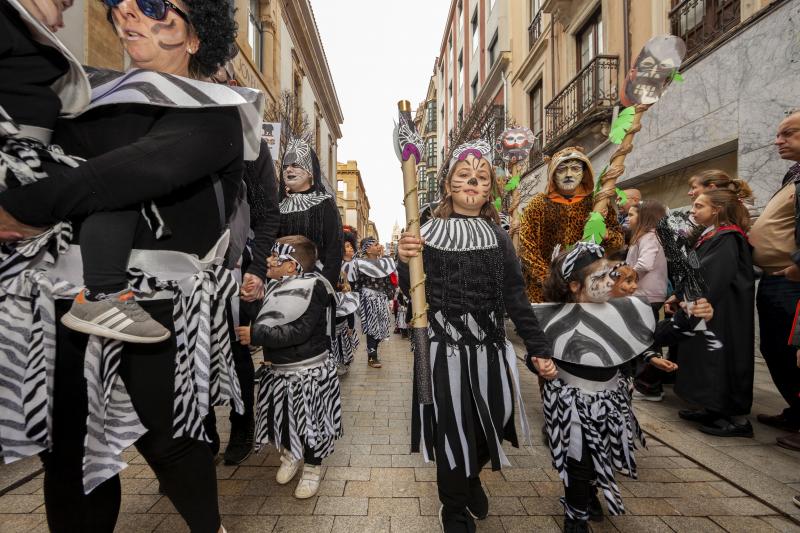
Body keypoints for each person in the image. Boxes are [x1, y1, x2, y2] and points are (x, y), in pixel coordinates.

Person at [0, 1, 260, 531]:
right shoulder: (82, 96)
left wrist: (18, 206)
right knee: (67, 450)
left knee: (171, 444)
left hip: (160, 305)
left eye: (158, 8)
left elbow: (115, 178)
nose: (131, 16)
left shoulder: (214, 111)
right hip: (63, 297)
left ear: (195, 38)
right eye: (124, 5)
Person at [397, 139, 554, 533]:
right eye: (463, 176)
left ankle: (470, 477)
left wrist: (538, 348)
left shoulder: (499, 237)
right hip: (440, 350)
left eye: (481, 178)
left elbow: (516, 296)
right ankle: (453, 508)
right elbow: (410, 290)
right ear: (448, 186)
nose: (472, 182)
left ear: (489, 189)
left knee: (494, 421)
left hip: (490, 349)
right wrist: (405, 259)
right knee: (451, 428)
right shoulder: (426, 231)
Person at [0, 0, 172, 344]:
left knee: (118, 177)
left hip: (34, 165)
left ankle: (102, 293)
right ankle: (102, 295)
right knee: (118, 179)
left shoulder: (25, 30)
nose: (71, 4)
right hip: (16, 166)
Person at [535, 242, 712, 532]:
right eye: (600, 278)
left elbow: (658, 335)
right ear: (575, 286)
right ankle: (576, 514)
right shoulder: (551, 318)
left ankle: (590, 491)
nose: (610, 282)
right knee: (577, 459)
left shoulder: (626, 312)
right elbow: (537, 351)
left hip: (611, 402)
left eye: (611, 274)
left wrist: (692, 315)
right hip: (571, 405)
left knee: (600, 453)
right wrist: (539, 363)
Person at [236, 236, 341, 500]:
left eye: (275, 256)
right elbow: (264, 318)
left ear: (292, 266)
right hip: (279, 370)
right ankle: (290, 454)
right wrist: (249, 300)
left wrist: (257, 335)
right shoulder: (273, 286)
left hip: (307, 373)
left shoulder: (315, 287)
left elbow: (299, 331)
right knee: (280, 419)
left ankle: (312, 469)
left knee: (310, 424)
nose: (268, 260)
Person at [674, 186, 755, 437]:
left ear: (717, 210)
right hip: (710, 308)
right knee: (705, 357)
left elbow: (712, 274)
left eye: (699, 206)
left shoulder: (728, 237)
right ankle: (710, 406)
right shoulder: (712, 234)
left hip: (723, 311)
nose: (693, 209)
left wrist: (691, 296)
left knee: (720, 358)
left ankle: (731, 416)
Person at [749, 111, 800, 449]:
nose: (777, 140)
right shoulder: (793, 176)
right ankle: (796, 411)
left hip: (790, 281)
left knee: (792, 351)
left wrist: (798, 264)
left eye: (788, 134)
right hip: (772, 279)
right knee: (774, 347)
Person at [518, 146, 624, 302]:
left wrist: (606, 234)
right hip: (545, 291)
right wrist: (550, 279)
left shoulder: (597, 204)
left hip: (585, 290)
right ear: (553, 174)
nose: (568, 174)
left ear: (584, 172)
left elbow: (619, 242)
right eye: (561, 170)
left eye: (575, 169)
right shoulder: (537, 205)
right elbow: (526, 248)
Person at [276, 136, 343, 287]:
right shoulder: (277, 205)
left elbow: (334, 251)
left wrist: (324, 288)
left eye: (295, 165)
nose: (288, 169)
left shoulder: (325, 203)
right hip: (278, 284)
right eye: (285, 166)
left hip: (314, 284)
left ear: (310, 171)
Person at [625, 200, 670, 401]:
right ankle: (641, 382)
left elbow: (645, 263)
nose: (628, 218)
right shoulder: (645, 237)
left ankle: (649, 386)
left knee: (645, 340)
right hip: (643, 294)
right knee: (641, 338)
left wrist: (624, 276)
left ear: (644, 218)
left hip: (646, 295)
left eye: (632, 215)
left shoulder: (649, 237)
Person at [352, 236, 396, 368]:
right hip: (368, 298)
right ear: (368, 249)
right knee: (371, 327)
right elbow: (357, 284)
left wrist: (390, 298)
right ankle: (372, 356)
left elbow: (388, 282)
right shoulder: (359, 263)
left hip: (381, 299)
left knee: (381, 327)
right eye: (375, 244)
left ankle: (374, 352)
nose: (379, 246)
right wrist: (358, 302)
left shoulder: (385, 263)